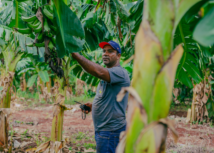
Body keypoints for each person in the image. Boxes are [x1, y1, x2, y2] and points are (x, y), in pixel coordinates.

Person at [71, 40, 130, 153]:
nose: (105, 54)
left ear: (118, 56)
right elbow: (111, 99)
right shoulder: (107, 76)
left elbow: (98, 71)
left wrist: (75, 54)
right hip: (105, 130)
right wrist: (93, 107)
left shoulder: (119, 73)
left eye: (110, 51)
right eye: (104, 51)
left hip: (110, 131)